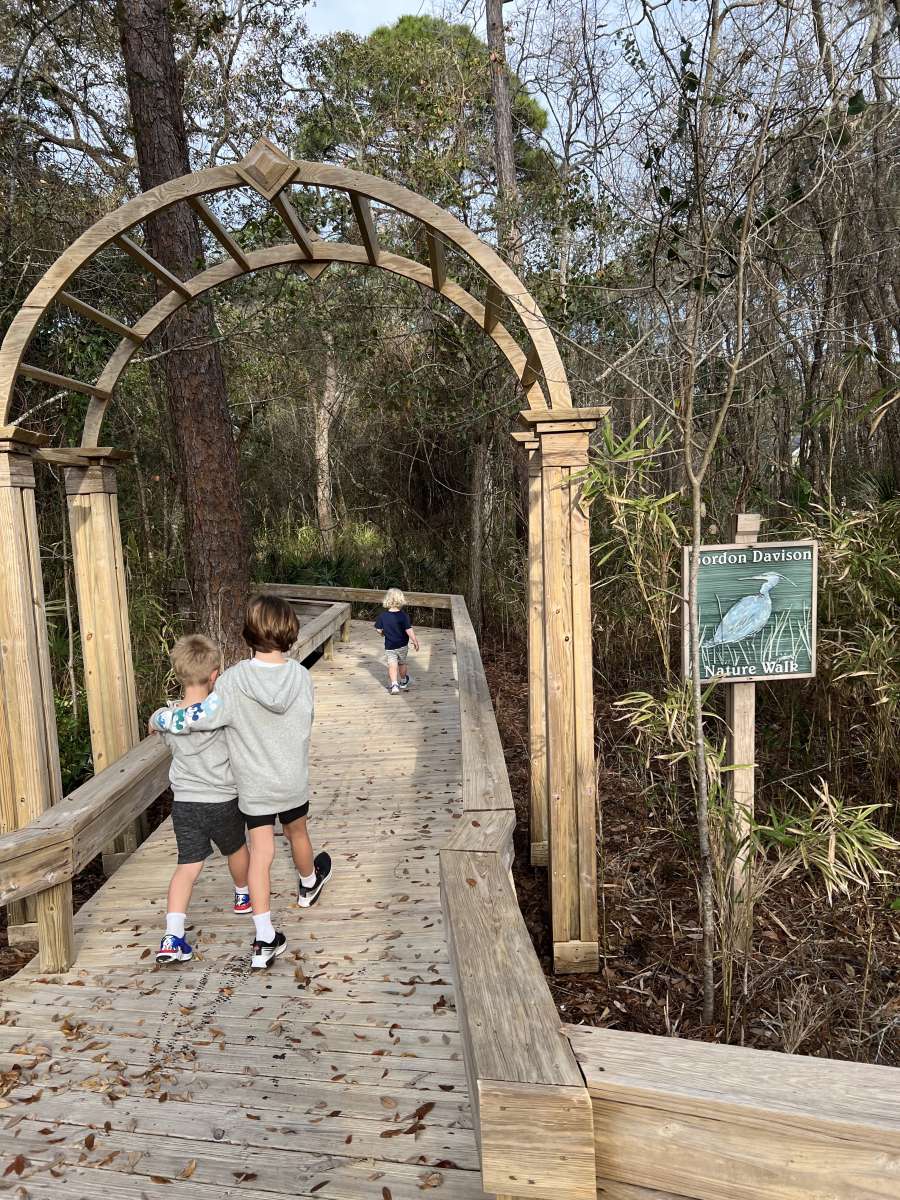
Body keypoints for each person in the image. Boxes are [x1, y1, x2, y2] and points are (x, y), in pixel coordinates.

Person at [151, 595, 331, 970]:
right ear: (290, 633)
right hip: (291, 779)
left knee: (261, 855)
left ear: (248, 633)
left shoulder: (232, 681)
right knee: (298, 832)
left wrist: (161, 718)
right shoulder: (301, 676)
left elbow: (196, 717)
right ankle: (308, 883)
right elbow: (306, 720)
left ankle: (264, 938)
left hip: (254, 786)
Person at [153, 634, 251, 966]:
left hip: (185, 804)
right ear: (214, 675)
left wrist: (157, 719)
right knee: (236, 848)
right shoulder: (218, 710)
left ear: (178, 674)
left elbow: (165, 734)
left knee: (187, 867)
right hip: (222, 799)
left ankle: (172, 935)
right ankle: (241, 894)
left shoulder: (168, 718)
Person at [375, 588, 420, 696]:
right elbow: (408, 629)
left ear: (387, 600)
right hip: (402, 645)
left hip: (390, 646)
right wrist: (415, 640)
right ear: (401, 600)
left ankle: (394, 685)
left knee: (392, 665)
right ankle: (403, 681)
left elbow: (378, 629)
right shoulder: (404, 616)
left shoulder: (383, 616)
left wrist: (382, 633)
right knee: (402, 663)